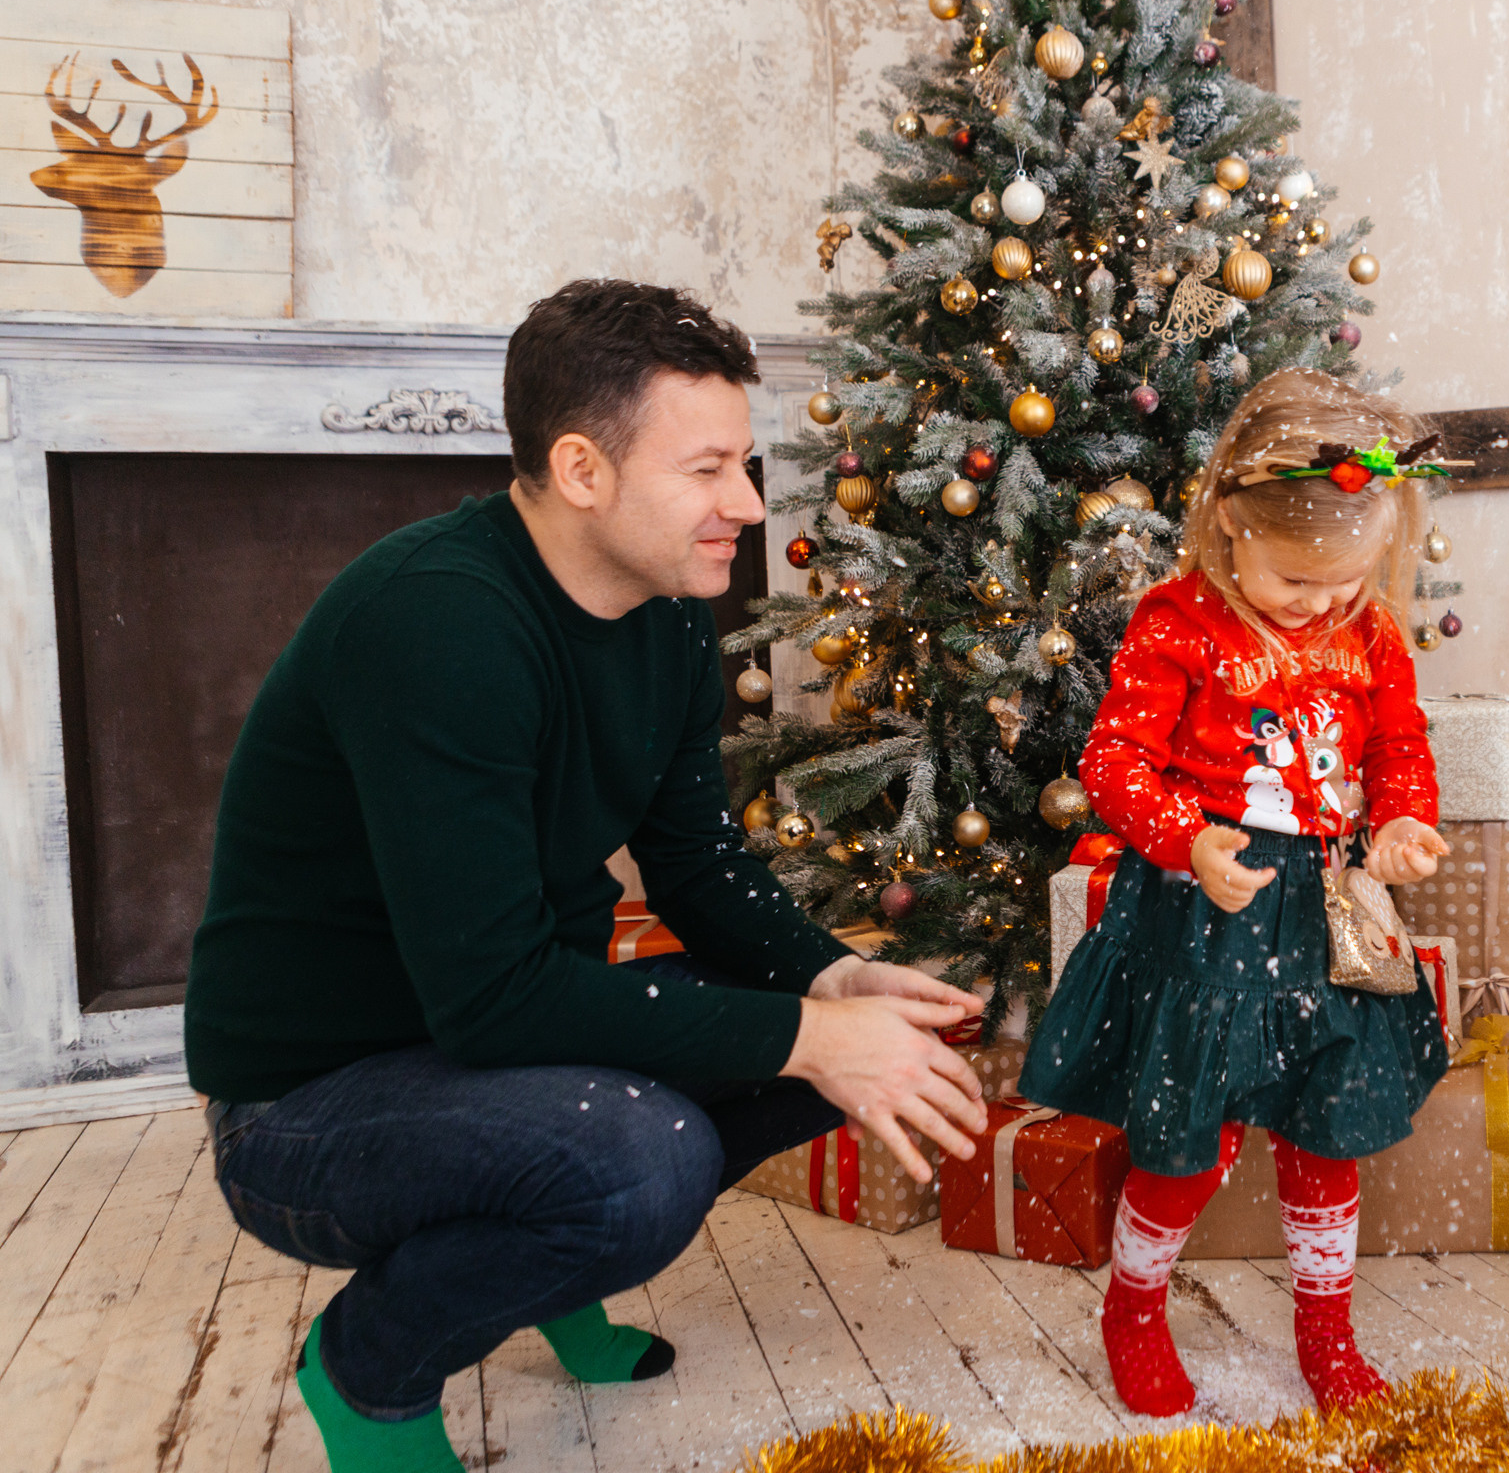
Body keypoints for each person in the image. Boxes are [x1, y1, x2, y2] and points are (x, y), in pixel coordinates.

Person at [183, 280, 987, 1473]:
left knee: (856, 1045)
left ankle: (552, 1264)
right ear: (581, 469)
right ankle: (369, 1372)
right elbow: (494, 996)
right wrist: (803, 1033)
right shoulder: (438, 625)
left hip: (488, 1038)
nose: (748, 505)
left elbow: (698, 863)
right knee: (642, 1160)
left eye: (745, 465)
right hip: (309, 1101)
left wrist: (836, 981)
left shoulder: (664, 610)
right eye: (708, 470)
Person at [1020, 370, 1455, 1417]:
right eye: (1299, 583)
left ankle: (1326, 1329)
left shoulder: (1371, 631)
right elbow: (1115, 761)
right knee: (1189, 1139)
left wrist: (1399, 820)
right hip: (1207, 910)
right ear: (1227, 527)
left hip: (1328, 913)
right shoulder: (1179, 623)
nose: (1324, 605)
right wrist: (1186, 838)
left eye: (1347, 582)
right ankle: (1133, 1308)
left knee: (1326, 1129)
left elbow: (1399, 745)